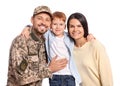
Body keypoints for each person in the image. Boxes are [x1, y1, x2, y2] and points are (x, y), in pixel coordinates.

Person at [6, 5, 68, 86]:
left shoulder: (44, 41)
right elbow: (21, 77)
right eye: (39, 18)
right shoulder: (21, 41)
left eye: (47, 20)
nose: (43, 22)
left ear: (50, 24)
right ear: (32, 20)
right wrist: (49, 69)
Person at [21, 11, 82, 86]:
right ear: (50, 26)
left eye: (61, 24)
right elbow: (37, 30)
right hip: (55, 75)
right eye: (55, 24)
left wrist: (90, 36)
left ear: (65, 26)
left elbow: (80, 36)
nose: (58, 27)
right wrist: (27, 28)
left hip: (69, 75)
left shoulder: (69, 37)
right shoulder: (48, 35)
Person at [67, 12, 113, 86]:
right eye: (72, 26)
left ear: (84, 28)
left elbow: (106, 75)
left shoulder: (95, 45)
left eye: (79, 26)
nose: (75, 29)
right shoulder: (69, 49)